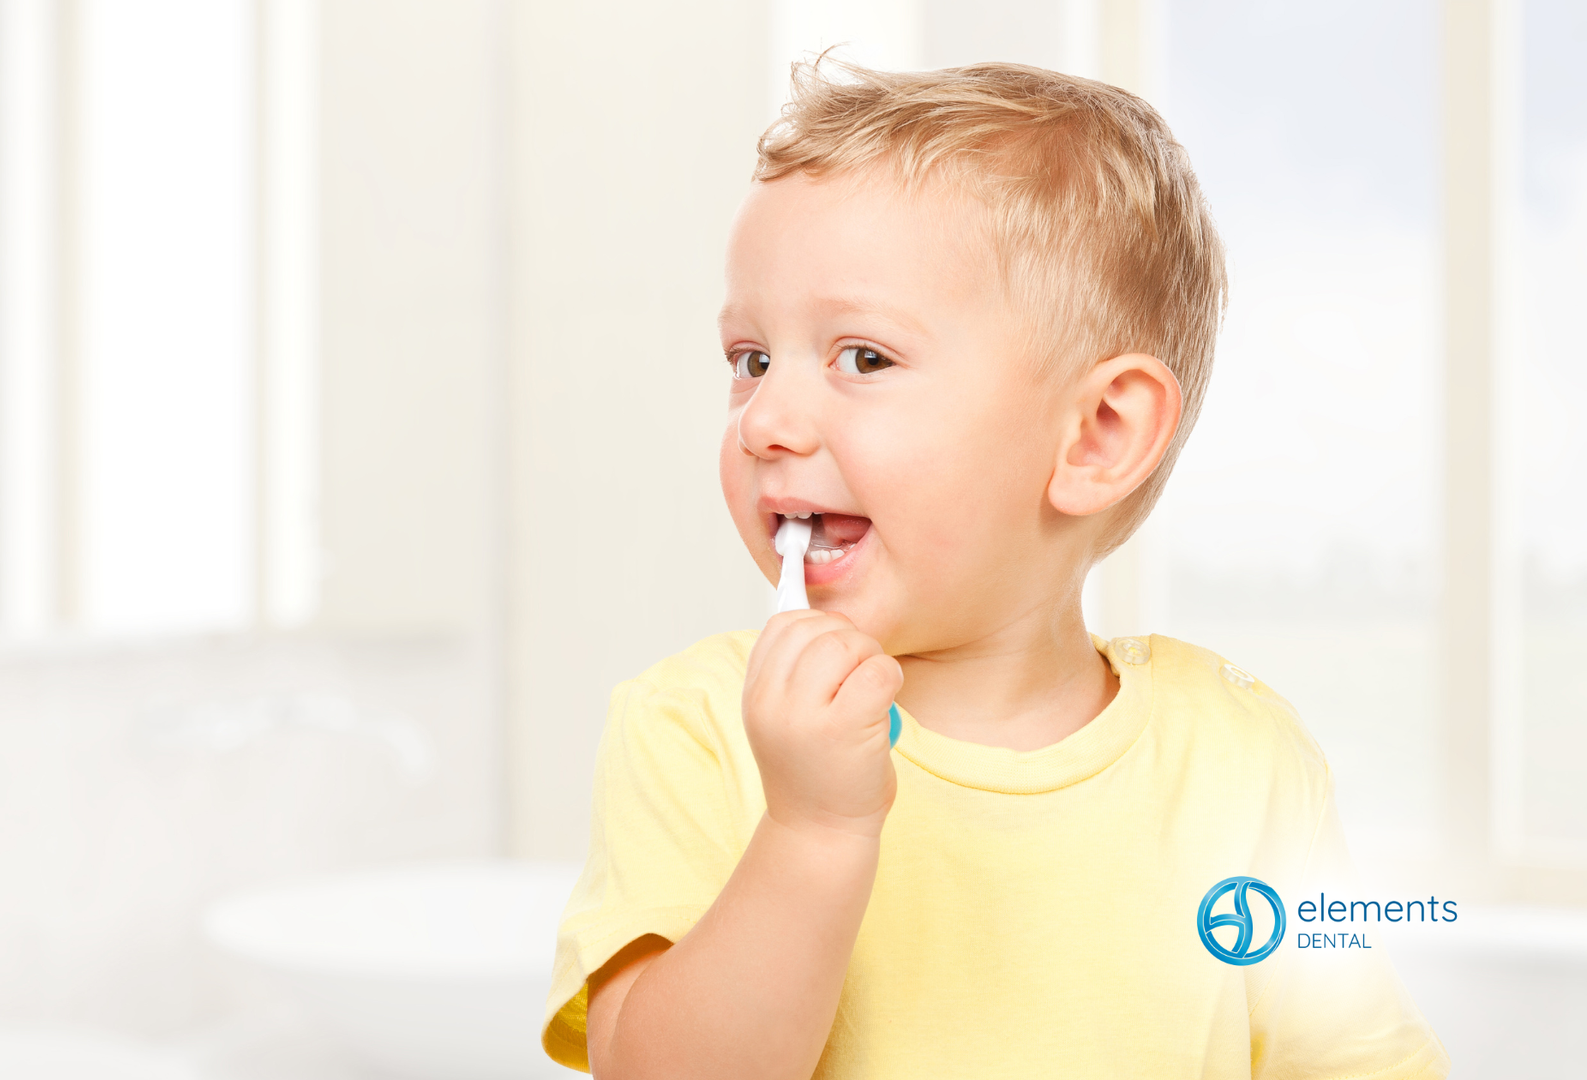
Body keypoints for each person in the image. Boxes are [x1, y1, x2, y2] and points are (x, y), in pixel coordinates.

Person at [539, 60, 1449, 1079]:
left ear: (1098, 434)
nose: (765, 421)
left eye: (863, 357)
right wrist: (810, 832)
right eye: (750, 359)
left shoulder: (1243, 761)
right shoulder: (694, 727)